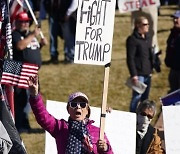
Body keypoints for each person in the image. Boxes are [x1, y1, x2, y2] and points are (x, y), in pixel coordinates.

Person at [27, 75, 113, 154]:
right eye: (74, 104)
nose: (78, 107)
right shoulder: (60, 127)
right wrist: (35, 96)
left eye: (82, 105)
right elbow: (42, 116)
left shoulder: (98, 132)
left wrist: (106, 149)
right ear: (68, 109)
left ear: (87, 111)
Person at [12, 11, 48, 133]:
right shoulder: (15, 34)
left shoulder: (29, 35)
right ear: (16, 22)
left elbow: (31, 50)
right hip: (21, 72)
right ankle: (20, 125)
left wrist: (41, 45)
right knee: (21, 100)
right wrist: (33, 34)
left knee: (31, 99)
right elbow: (20, 46)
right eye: (21, 21)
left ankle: (25, 124)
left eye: (26, 21)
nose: (24, 24)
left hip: (33, 73)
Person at [126, 16, 153, 112]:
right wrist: (134, 74)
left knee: (145, 99)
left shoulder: (148, 38)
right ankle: (132, 116)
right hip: (139, 74)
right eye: (145, 24)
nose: (147, 26)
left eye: (148, 24)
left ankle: (142, 117)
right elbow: (130, 58)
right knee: (137, 97)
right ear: (138, 25)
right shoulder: (132, 39)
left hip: (148, 73)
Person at [165, 10, 180, 93]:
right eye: (174, 18)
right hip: (173, 69)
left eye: (177, 18)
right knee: (173, 93)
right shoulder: (173, 33)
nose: (175, 20)